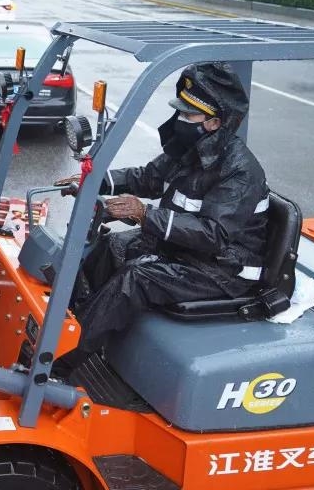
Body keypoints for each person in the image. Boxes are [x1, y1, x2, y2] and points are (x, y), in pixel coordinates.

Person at [64, 62, 270, 364]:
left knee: (136, 278)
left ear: (214, 122)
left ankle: (63, 358)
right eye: (181, 112)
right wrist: (95, 180)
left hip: (222, 269)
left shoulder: (240, 171)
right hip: (186, 251)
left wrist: (145, 215)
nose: (181, 120)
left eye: (189, 115)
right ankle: (74, 325)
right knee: (110, 246)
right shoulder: (193, 149)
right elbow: (149, 178)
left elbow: (213, 235)